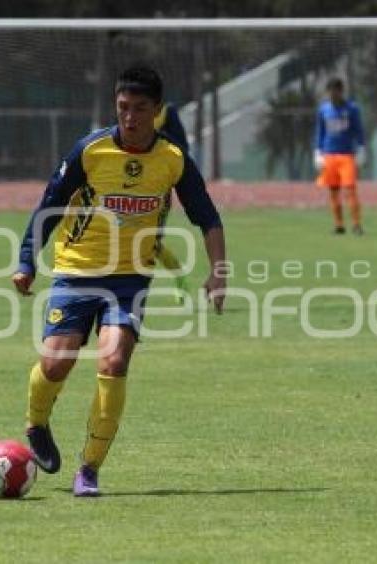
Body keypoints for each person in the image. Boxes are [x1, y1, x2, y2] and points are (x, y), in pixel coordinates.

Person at [12, 65, 226, 497]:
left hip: (130, 279)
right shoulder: (89, 150)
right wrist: (26, 261)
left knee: (113, 361)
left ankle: (89, 470)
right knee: (56, 363)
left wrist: (218, 272)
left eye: (140, 109)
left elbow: (206, 215)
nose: (130, 118)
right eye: (123, 108)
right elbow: (48, 204)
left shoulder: (173, 159)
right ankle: (36, 422)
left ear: (157, 111)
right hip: (75, 272)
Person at [314, 77, 366, 235]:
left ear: (341, 91)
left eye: (335, 91)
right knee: (333, 190)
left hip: (346, 155)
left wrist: (362, 148)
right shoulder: (324, 110)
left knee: (350, 189)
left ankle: (356, 224)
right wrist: (317, 151)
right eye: (329, 92)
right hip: (329, 154)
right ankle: (339, 225)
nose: (332, 95)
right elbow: (320, 132)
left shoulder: (352, 109)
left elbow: (359, 130)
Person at [153, 102, 190, 304]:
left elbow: (182, 148)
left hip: (159, 188)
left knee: (151, 243)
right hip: (127, 187)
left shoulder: (167, 113)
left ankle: (179, 276)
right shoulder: (127, 111)